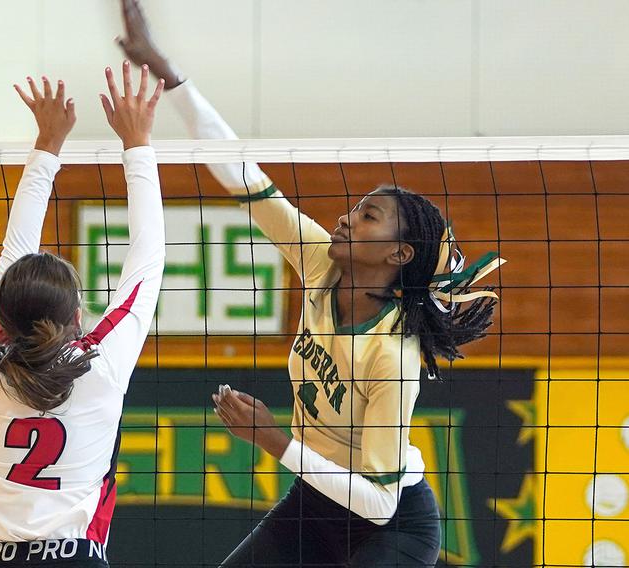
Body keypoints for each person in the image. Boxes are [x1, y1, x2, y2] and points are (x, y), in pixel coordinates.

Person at [116, 1, 505, 566]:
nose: (346, 218)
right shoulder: (322, 262)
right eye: (354, 208)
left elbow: (376, 502)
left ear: (400, 253)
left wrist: (273, 439)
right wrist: (166, 71)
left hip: (389, 526)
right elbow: (241, 173)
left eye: (368, 216)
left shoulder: (391, 357)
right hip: (315, 504)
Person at [0, 63, 165, 567]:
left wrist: (48, 143)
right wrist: (135, 141)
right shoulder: (99, 366)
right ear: (77, 316)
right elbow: (150, 254)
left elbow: (14, 253)